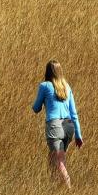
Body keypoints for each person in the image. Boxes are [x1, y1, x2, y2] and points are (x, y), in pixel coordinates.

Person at [31, 60, 83, 188]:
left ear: (47, 71)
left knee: (60, 162)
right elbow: (74, 113)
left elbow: (36, 108)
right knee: (52, 157)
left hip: (55, 126)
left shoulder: (45, 86)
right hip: (69, 126)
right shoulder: (67, 86)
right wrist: (78, 135)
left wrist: (42, 101)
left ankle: (69, 189)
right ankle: (54, 187)